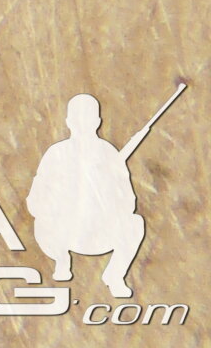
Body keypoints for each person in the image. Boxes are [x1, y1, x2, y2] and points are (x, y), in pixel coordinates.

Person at [29, 95, 148, 299]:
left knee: (135, 223)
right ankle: (61, 260)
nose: (83, 124)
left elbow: (128, 200)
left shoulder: (109, 154)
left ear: (98, 122)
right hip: (63, 233)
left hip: (100, 233)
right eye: (78, 119)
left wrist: (107, 198)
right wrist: (56, 206)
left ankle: (115, 276)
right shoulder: (56, 153)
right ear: (69, 122)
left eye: (88, 118)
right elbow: (36, 199)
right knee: (41, 222)